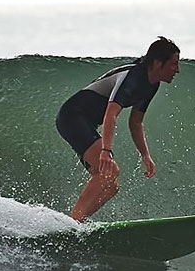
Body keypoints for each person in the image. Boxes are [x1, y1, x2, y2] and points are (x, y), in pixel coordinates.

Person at [55, 37, 181, 222]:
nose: (177, 70)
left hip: (85, 123)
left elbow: (136, 123)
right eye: (173, 64)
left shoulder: (152, 85)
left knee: (111, 185)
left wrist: (145, 155)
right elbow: (110, 114)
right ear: (157, 62)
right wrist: (106, 150)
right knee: (109, 171)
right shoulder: (133, 76)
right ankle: (73, 222)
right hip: (73, 116)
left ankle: (78, 222)